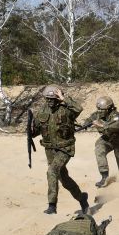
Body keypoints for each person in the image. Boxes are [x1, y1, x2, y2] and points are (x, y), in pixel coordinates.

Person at [30, 86, 89, 214]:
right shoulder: (42, 111)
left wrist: (64, 99)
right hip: (50, 150)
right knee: (65, 180)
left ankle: (52, 206)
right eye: (48, 98)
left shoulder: (66, 109)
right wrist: (31, 131)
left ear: (58, 98)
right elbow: (37, 130)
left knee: (51, 171)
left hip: (65, 148)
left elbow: (78, 108)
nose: (50, 101)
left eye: (53, 98)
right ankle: (82, 198)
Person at [80, 96, 119, 188]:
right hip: (108, 139)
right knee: (99, 149)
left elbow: (117, 125)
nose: (99, 111)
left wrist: (101, 125)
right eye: (98, 109)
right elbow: (91, 119)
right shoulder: (98, 114)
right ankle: (104, 176)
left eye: (102, 109)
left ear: (109, 108)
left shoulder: (117, 116)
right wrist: (85, 125)